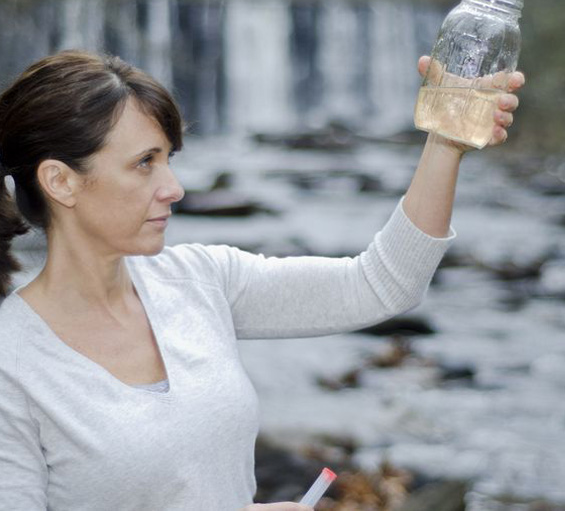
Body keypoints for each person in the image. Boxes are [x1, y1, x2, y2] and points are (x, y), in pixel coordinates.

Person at [0, 49, 524, 511]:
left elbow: (382, 284)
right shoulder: (12, 363)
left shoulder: (201, 280)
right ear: (61, 181)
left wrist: (444, 144)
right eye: (144, 164)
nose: (175, 188)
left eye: (169, 160)